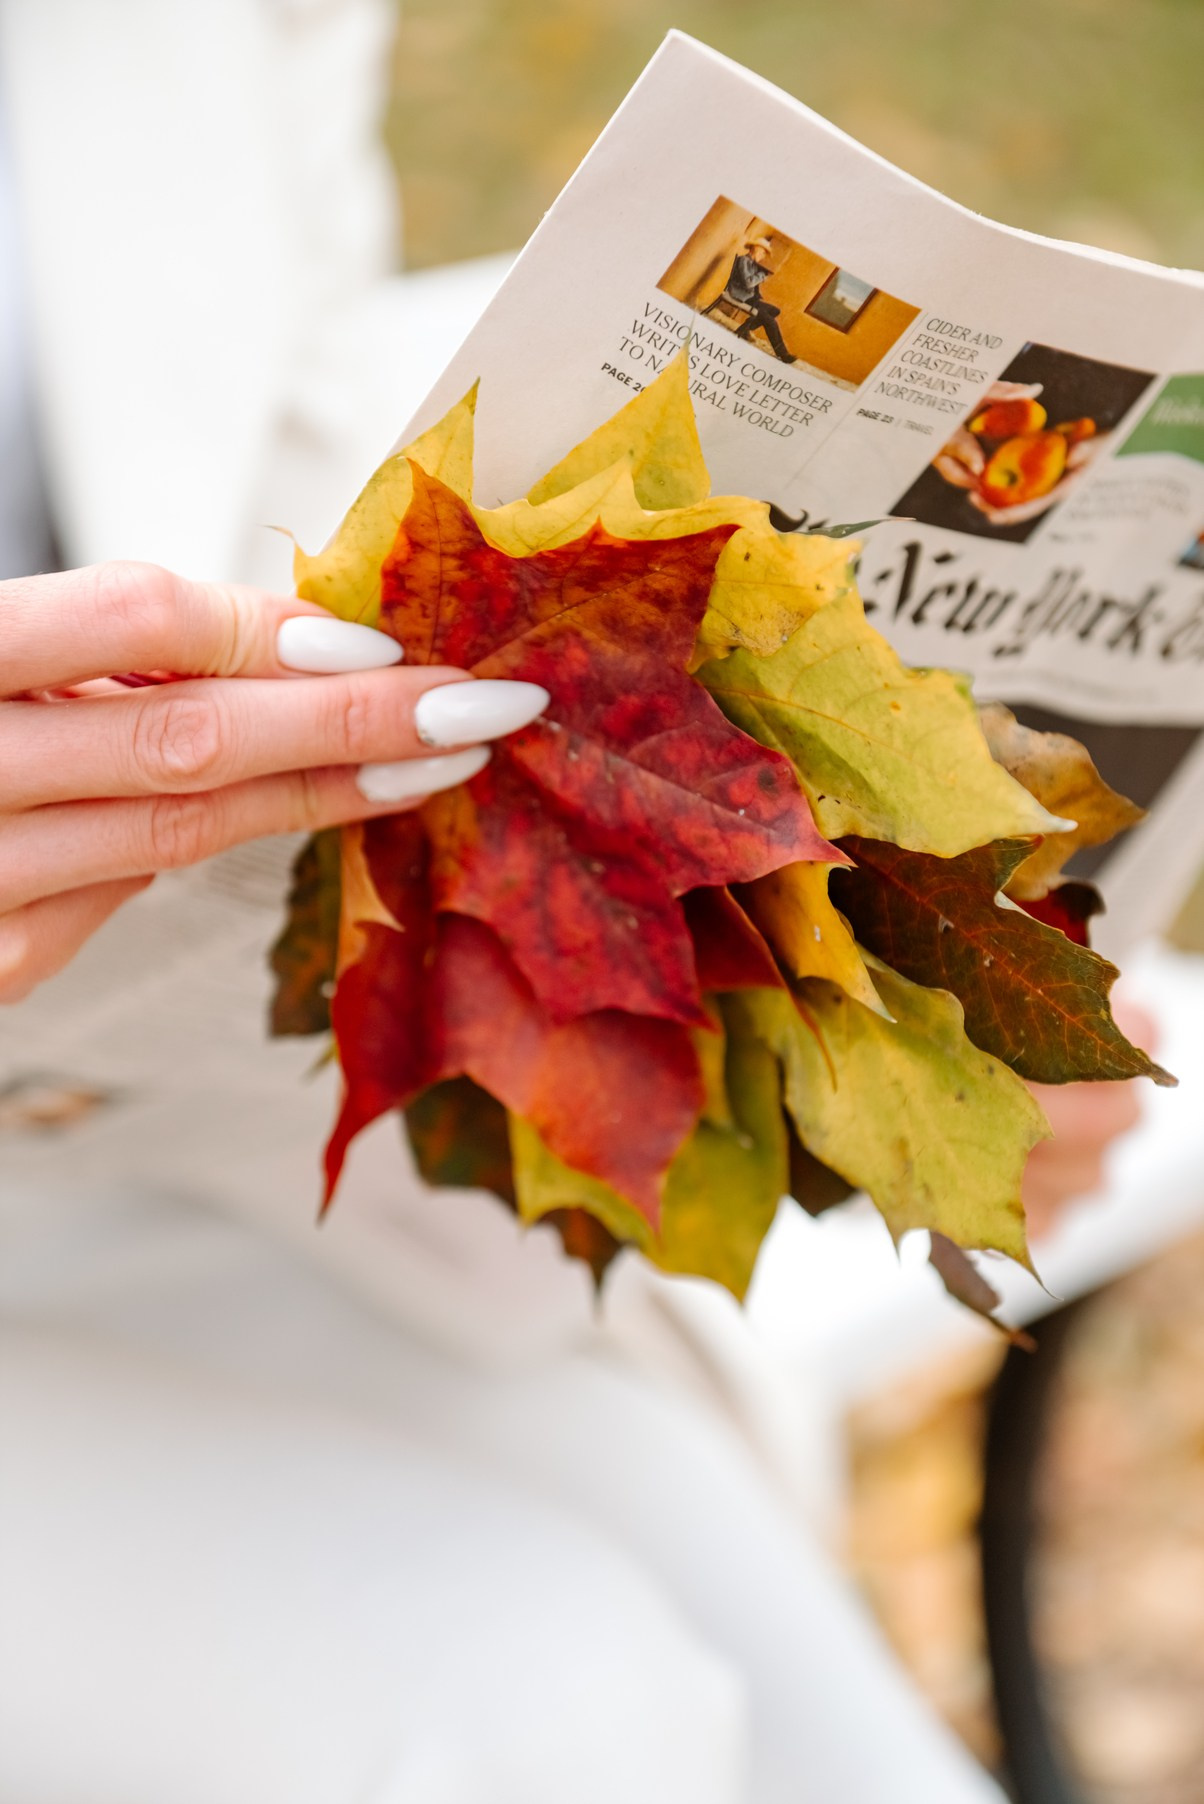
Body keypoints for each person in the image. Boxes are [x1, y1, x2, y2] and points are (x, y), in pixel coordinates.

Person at [0, 6, 1157, 1800]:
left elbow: (266, 417)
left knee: (794, 1730)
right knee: (532, 1700)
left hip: (143, 1131)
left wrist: (843, 1042)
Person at [704, 236, 798, 364]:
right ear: (756, 249)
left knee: (775, 310)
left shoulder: (752, 264)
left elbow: (751, 282)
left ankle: (744, 329)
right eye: (763, 252)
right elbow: (748, 283)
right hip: (741, 297)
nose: (763, 256)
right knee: (770, 321)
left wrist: (760, 274)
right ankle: (783, 353)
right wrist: (762, 275)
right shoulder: (744, 260)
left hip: (749, 298)